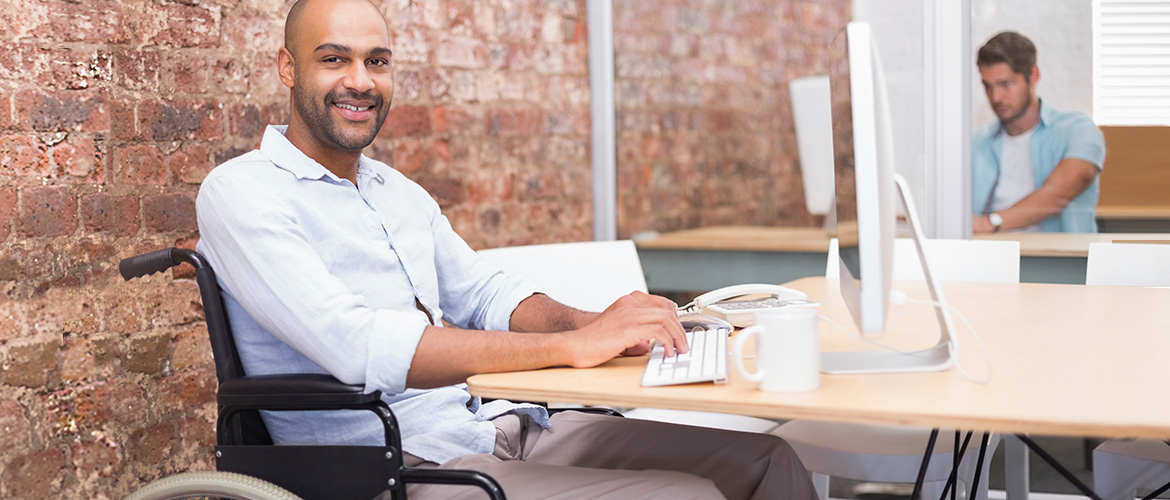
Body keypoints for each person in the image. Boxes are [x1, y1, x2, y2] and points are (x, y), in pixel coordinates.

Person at [194, 0, 817, 498]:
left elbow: (485, 293)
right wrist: (565, 349)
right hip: (397, 465)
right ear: (287, 66)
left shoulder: (395, 191)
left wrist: (596, 324)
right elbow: (355, 345)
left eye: (377, 62)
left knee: (769, 462)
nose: (361, 81)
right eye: (335, 59)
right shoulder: (242, 193)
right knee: (687, 496)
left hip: (499, 426)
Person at [971, 31, 1106, 233]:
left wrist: (989, 223)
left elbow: (1057, 195)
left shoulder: (1078, 130)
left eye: (1005, 84)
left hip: (1055, 260)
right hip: (992, 255)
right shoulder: (978, 141)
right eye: (987, 86)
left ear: (1033, 75)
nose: (996, 97)